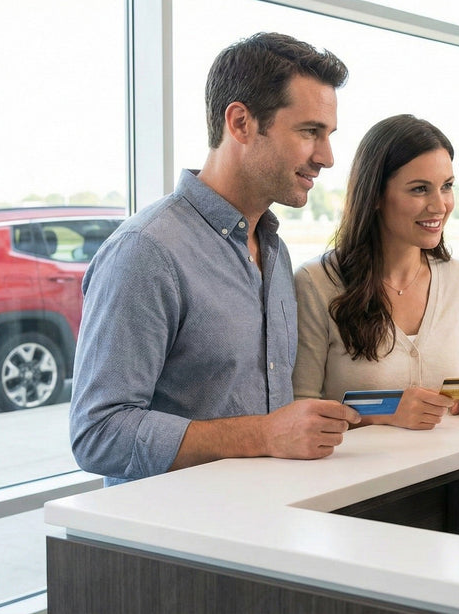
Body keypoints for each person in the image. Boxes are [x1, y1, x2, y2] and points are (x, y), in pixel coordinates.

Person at [70, 32, 359, 486]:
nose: (326, 157)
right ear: (241, 123)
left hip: (262, 522)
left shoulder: (274, 251)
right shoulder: (147, 251)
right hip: (177, 546)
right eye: (309, 132)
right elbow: (98, 434)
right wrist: (262, 434)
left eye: (328, 135)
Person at [293, 114, 459, 430]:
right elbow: (300, 407)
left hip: (449, 475)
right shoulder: (316, 283)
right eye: (419, 189)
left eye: (446, 187)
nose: (440, 205)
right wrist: (385, 409)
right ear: (374, 195)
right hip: (356, 477)